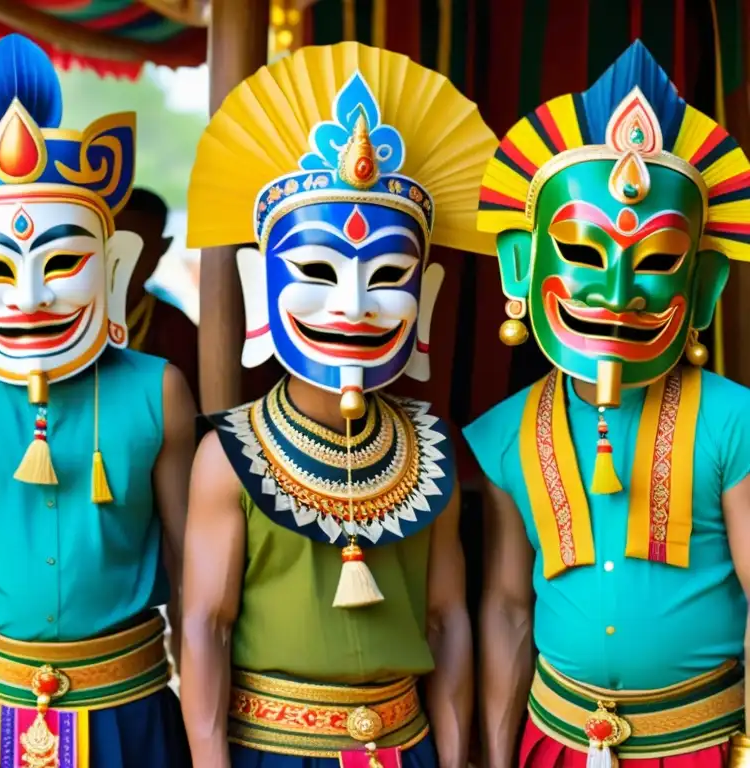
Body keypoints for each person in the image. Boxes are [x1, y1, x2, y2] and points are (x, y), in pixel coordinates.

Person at [182, 42, 497, 768]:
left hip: (405, 744)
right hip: (273, 749)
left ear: (426, 301)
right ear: (262, 290)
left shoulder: (432, 449)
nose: (353, 305)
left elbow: (449, 621)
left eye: (386, 274)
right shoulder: (229, 455)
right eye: (319, 271)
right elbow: (204, 625)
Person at [0, 34, 195, 768]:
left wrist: (206, 727)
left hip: (130, 709)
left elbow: (195, 575)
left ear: (113, 265)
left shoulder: (157, 390)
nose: (29, 298)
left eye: (61, 262)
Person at [464, 41, 750, 768]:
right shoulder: (502, 434)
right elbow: (505, 608)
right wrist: (499, 756)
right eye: (586, 254)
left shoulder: (735, 420)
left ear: (705, 283)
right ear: (521, 265)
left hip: (702, 744)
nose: (616, 290)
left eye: (655, 260)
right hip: (553, 741)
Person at [115, 188, 199, 404]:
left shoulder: (176, 329)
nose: (126, 261)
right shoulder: (72, 314)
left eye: (140, 249)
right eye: (117, 247)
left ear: (163, 248)